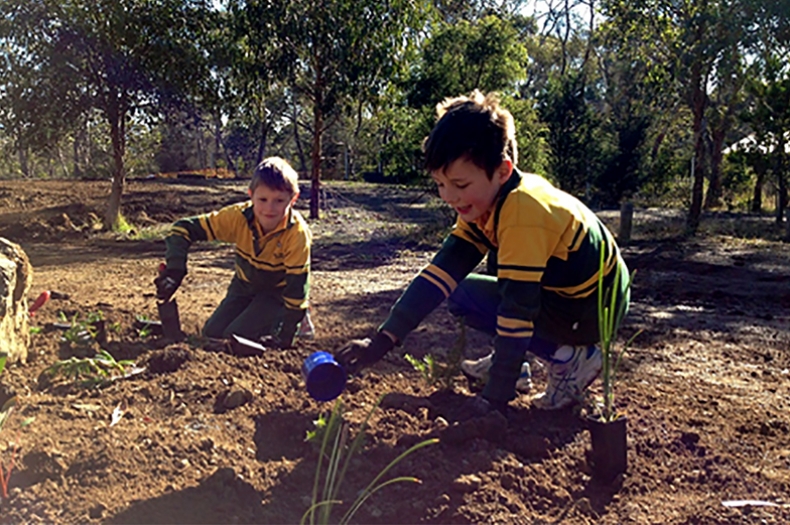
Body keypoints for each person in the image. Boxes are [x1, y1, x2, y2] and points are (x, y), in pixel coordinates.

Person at [334, 91, 629, 412]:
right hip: (563, 295)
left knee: (508, 284)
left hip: (594, 307)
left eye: (460, 185)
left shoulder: (523, 210)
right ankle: (516, 365)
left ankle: (572, 358)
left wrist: (494, 399)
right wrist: (380, 342)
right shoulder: (485, 204)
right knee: (462, 293)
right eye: (440, 184)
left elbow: (518, 311)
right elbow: (436, 278)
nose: (448, 196)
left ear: (502, 170)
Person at [155, 156, 311, 348]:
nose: (269, 209)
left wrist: (286, 335)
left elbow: (297, 289)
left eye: (279, 201)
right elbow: (182, 229)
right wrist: (175, 269)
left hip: (277, 294)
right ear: (250, 195)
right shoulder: (238, 217)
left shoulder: (297, 234)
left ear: (293, 199)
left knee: (234, 337)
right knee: (211, 334)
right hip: (244, 287)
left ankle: (295, 322)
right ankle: (259, 317)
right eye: (262, 199)